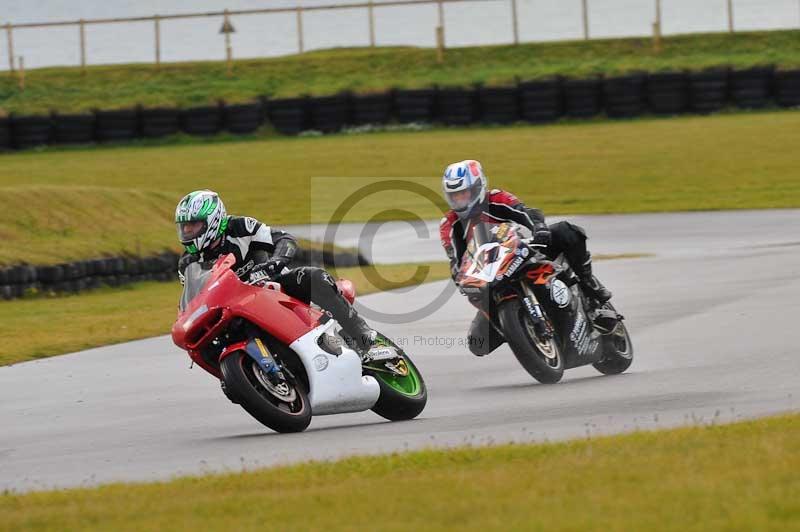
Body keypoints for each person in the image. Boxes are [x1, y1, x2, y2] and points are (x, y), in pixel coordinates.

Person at [439, 160, 612, 357]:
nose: (460, 200)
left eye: (464, 193)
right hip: (490, 275)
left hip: (522, 252)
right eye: (455, 196)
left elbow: (526, 212)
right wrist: (461, 280)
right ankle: (518, 328)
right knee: (477, 343)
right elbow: (456, 261)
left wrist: (539, 228)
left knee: (566, 231)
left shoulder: (496, 198)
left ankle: (590, 286)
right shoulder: (449, 224)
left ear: (478, 187)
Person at [175, 189, 379, 353]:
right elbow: (193, 297)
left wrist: (274, 263)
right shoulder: (187, 263)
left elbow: (284, 239)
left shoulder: (240, 227)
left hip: (273, 285)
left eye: (193, 225)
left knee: (314, 277)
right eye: (184, 227)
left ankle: (363, 336)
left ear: (213, 220)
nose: (187, 231)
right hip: (233, 308)